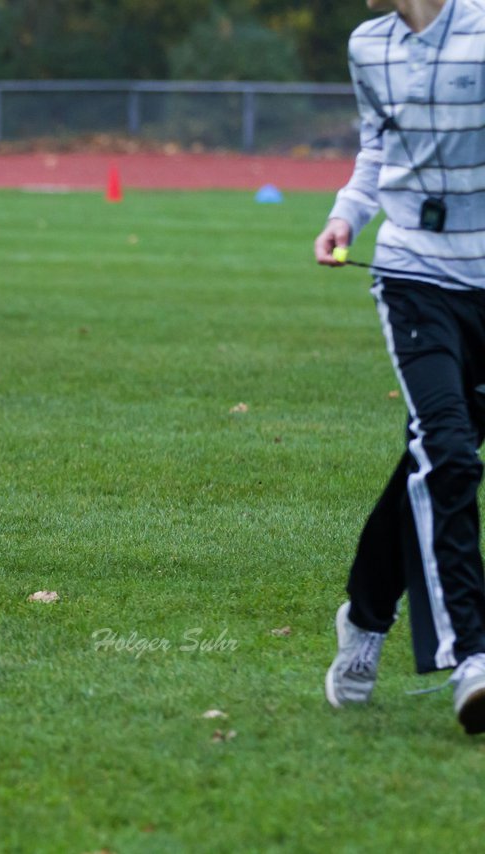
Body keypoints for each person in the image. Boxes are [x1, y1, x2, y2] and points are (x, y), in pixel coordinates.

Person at [315, 0, 485, 734]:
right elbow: (376, 151)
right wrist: (346, 215)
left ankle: (366, 613)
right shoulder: (367, 45)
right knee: (448, 452)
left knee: (432, 454)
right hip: (413, 274)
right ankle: (472, 656)